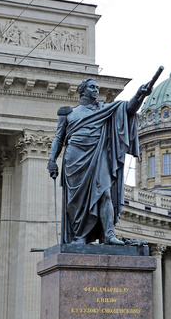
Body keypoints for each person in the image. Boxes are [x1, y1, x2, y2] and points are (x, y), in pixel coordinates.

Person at [47, 76, 157, 245]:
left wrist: (140, 95)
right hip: (74, 159)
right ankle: (80, 236)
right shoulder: (69, 113)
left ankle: (109, 234)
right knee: (76, 201)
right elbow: (58, 138)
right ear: (82, 91)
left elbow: (128, 109)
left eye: (97, 87)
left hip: (99, 156)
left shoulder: (105, 109)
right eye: (92, 87)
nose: (96, 90)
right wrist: (52, 160)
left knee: (105, 193)